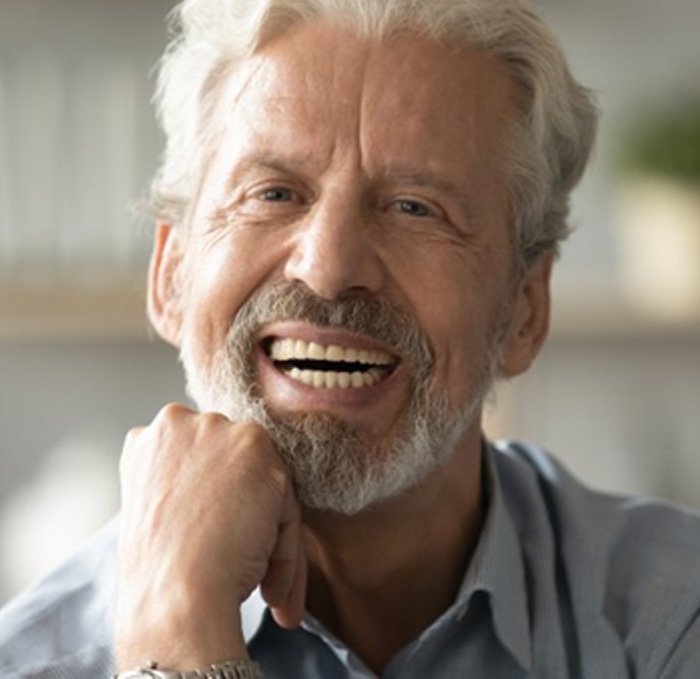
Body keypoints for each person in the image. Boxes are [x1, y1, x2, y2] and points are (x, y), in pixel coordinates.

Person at [1, 0, 699, 677]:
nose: (331, 268)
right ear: (171, 274)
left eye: (415, 207)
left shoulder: (675, 620)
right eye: (274, 193)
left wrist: (181, 655)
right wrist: (177, 622)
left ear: (524, 310)